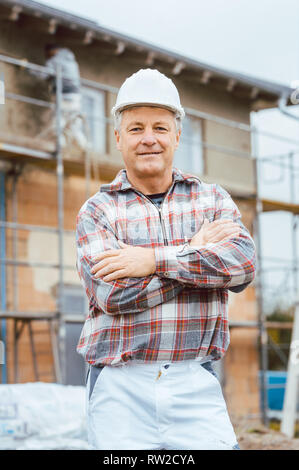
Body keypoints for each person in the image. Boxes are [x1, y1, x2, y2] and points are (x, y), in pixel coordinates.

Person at [75, 68, 256, 450]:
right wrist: (194, 251)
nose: (149, 139)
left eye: (159, 127)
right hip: (120, 385)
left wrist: (152, 261)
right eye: (136, 128)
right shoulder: (98, 211)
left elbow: (241, 265)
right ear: (118, 137)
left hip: (196, 379)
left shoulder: (212, 199)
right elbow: (113, 296)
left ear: (177, 136)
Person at [29, 44, 89, 152]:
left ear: (52, 51)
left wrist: (27, 67)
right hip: (75, 98)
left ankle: (60, 147)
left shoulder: (55, 60)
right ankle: (85, 148)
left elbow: (44, 73)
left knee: (57, 124)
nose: (46, 57)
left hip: (63, 97)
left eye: (47, 54)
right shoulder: (71, 61)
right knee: (73, 125)